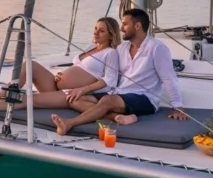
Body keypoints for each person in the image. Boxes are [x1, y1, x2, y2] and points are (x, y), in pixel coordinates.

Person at [52, 8, 188, 135]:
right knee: (75, 99)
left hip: (144, 98)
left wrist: (178, 107)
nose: (121, 28)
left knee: (107, 101)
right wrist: (74, 81)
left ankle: (70, 123)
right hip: (120, 93)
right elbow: (107, 73)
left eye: (125, 24)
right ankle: (121, 117)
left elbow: (169, 78)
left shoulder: (157, 48)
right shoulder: (121, 49)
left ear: (138, 26)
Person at [0, 17, 121, 117]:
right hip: (56, 85)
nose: (96, 33)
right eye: (95, 28)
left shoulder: (110, 53)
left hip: (69, 94)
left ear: (111, 34)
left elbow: (110, 80)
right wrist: (63, 74)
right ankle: (2, 93)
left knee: (26, 99)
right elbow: (80, 68)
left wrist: (82, 90)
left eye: (101, 31)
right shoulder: (90, 47)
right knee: (29, 65)